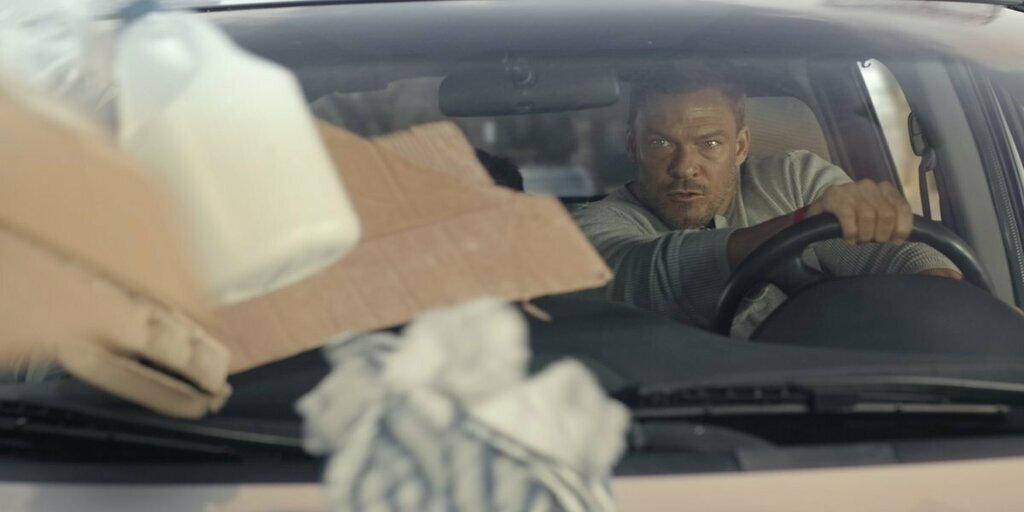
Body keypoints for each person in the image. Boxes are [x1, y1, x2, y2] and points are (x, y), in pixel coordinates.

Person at [571, 63, 961, 337]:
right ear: (632, 145)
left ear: (740, 146)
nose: (684, 167)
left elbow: (908, 261)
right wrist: (800, 223)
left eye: (710, 144)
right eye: (660, 143)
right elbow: (650, 274)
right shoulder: (592, 227)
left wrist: (945, 307)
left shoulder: (796, 180)